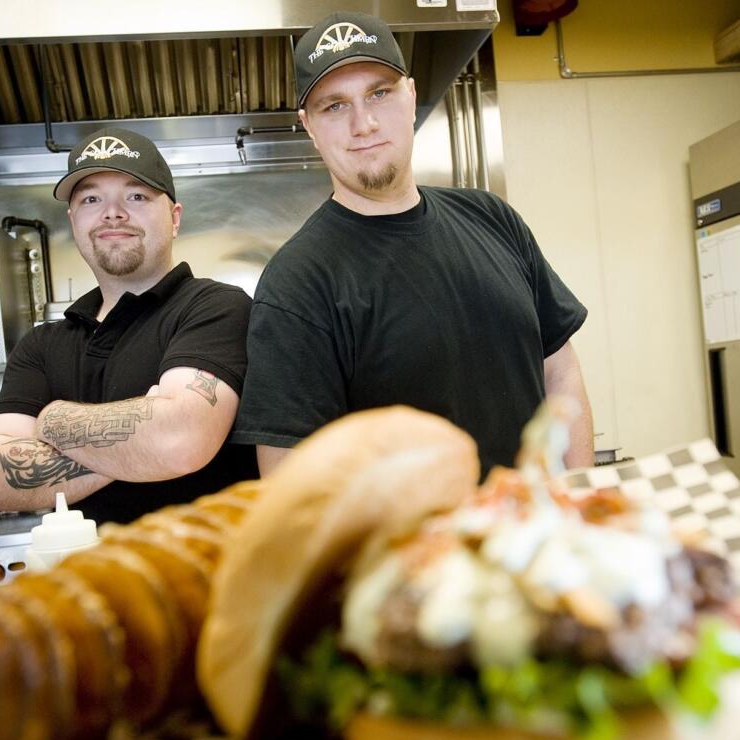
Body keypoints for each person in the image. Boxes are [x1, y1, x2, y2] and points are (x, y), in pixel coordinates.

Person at [231, 11, 593, 477]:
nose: (363, 124)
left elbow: (559, 371)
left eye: (379, 93)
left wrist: (577, 496)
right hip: (416, 550)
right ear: (309, 126)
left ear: (411, 96)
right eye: (334, 106)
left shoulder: (493, 218)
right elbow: (290, 476)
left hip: (537, 535)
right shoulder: (298, 281)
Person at [0, 126, 256, 524]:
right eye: (91, 198)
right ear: (73, 220)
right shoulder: (41, 345)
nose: (113, 213)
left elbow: (180, 440)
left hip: (210, 575)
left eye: (136, 196)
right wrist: (146, 440)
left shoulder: (216, 308)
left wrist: (52, 421)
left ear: (174, 218)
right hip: (96, 578)